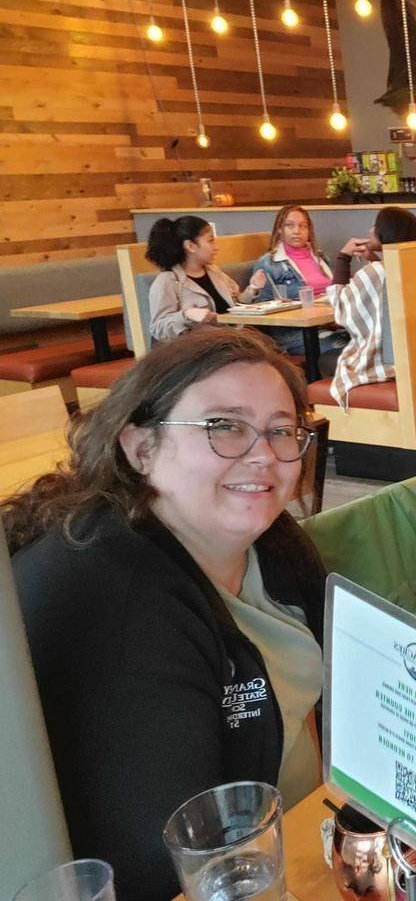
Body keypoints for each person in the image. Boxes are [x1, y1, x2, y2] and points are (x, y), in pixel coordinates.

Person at [7, 329, 326, 901]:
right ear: (140, 446)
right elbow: (162, 864)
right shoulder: (120, 614)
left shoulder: (271, 542)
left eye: (282, 430)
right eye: (224, 426)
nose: (263, 454)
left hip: (306, 835)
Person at [327, 206, 416, 410]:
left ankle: (342, 429)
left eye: (375, 225)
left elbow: (340, 307)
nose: (370, 229)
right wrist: (375, 260)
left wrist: (343, 257)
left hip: (385, 365)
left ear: (385, 232)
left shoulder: (376, 271)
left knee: (324, 359)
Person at [146, 215, 267, 344]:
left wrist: (252, 289)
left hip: (233, 341)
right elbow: (158, 328)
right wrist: (186, 315)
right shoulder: (167, 281)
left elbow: (236, 305)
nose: (216, 247)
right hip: (202, 352)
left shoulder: (214, 271)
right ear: (190, 246)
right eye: (210, 241)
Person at [250, 204, 348, 358]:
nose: (297, 231)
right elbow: (262, 309)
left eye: (303, 226)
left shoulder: (321, 257)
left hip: (334, 324)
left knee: (368, 340)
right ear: (280, 229)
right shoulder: (269, 263)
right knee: (345, 348)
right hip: (295, 333)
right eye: (290, 226)